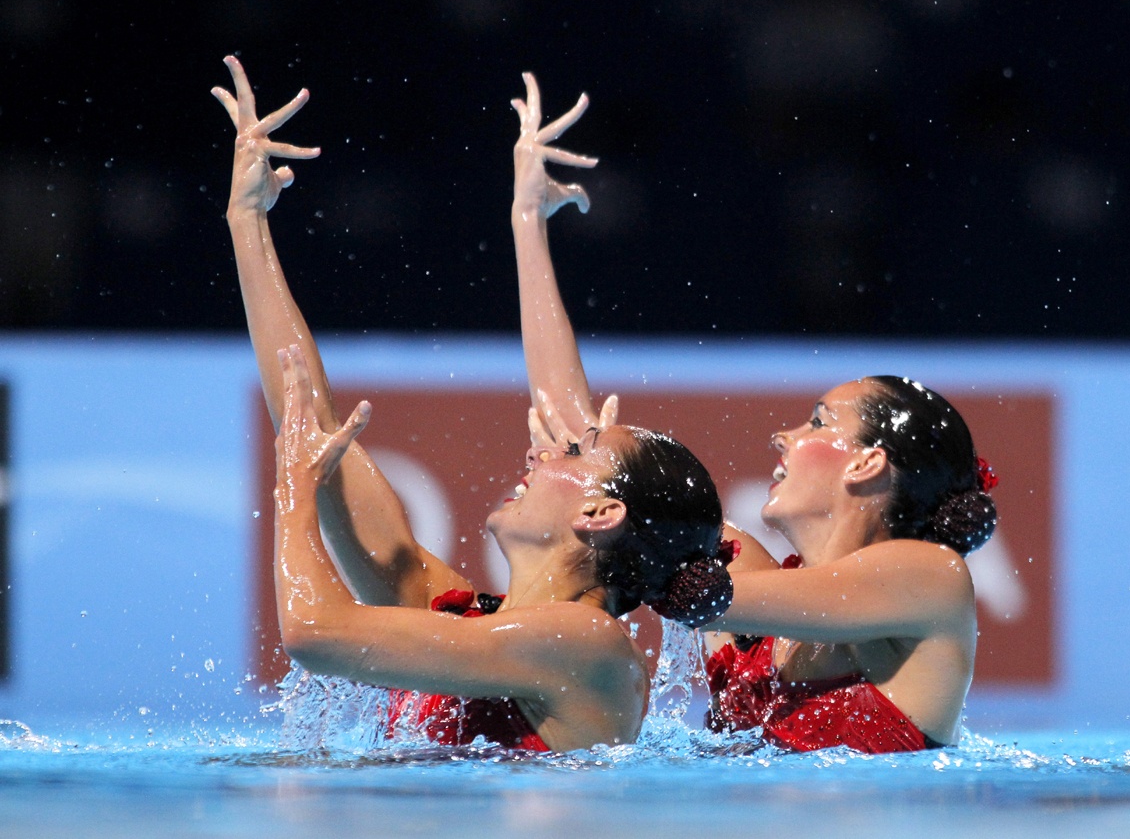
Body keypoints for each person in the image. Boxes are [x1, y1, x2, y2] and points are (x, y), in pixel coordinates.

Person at [211, 56, 733, 753]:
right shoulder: (458, 612)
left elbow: (314, 634)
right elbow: (310, 419)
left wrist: (293, 495)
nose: (541, 447)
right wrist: (247, 222)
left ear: (600, 514)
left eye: (573, 452)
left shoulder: (590, 642)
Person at [507, 72, 998, 753]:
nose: (785, 434)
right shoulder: (754, 583)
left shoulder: (930, 577)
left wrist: (637, 526)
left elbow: (702, 592)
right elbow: (581, 445)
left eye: (819, 423)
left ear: (868, 462)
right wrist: (526, 223)